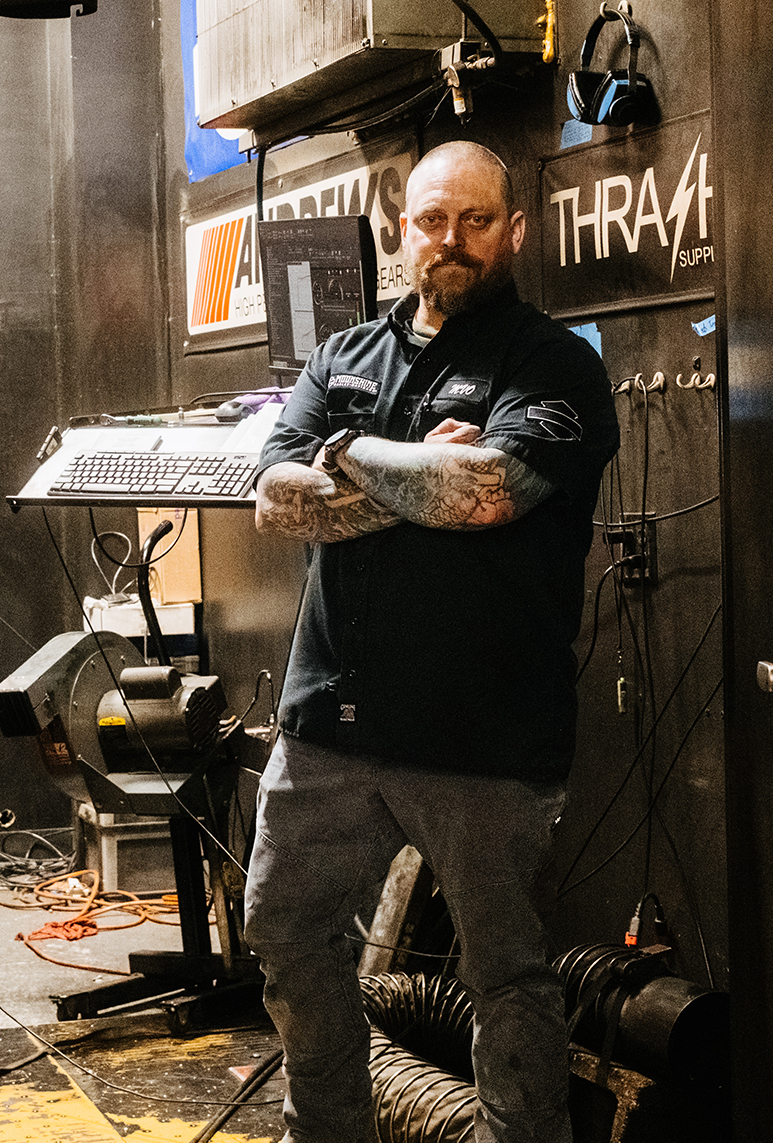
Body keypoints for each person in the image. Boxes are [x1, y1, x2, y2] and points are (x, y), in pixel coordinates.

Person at [243, 139, 619, 1143]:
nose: (449, 241)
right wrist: (390, 470)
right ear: (398, 228)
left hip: (485, 731)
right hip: (330, 724)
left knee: (508, 976)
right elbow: (277, 502)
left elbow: (484, 494)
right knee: (286, 936)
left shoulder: (553, 365)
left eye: (475, 220)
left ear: (514, 230)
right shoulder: (343, 356)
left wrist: (346, 462)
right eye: (429, 220)